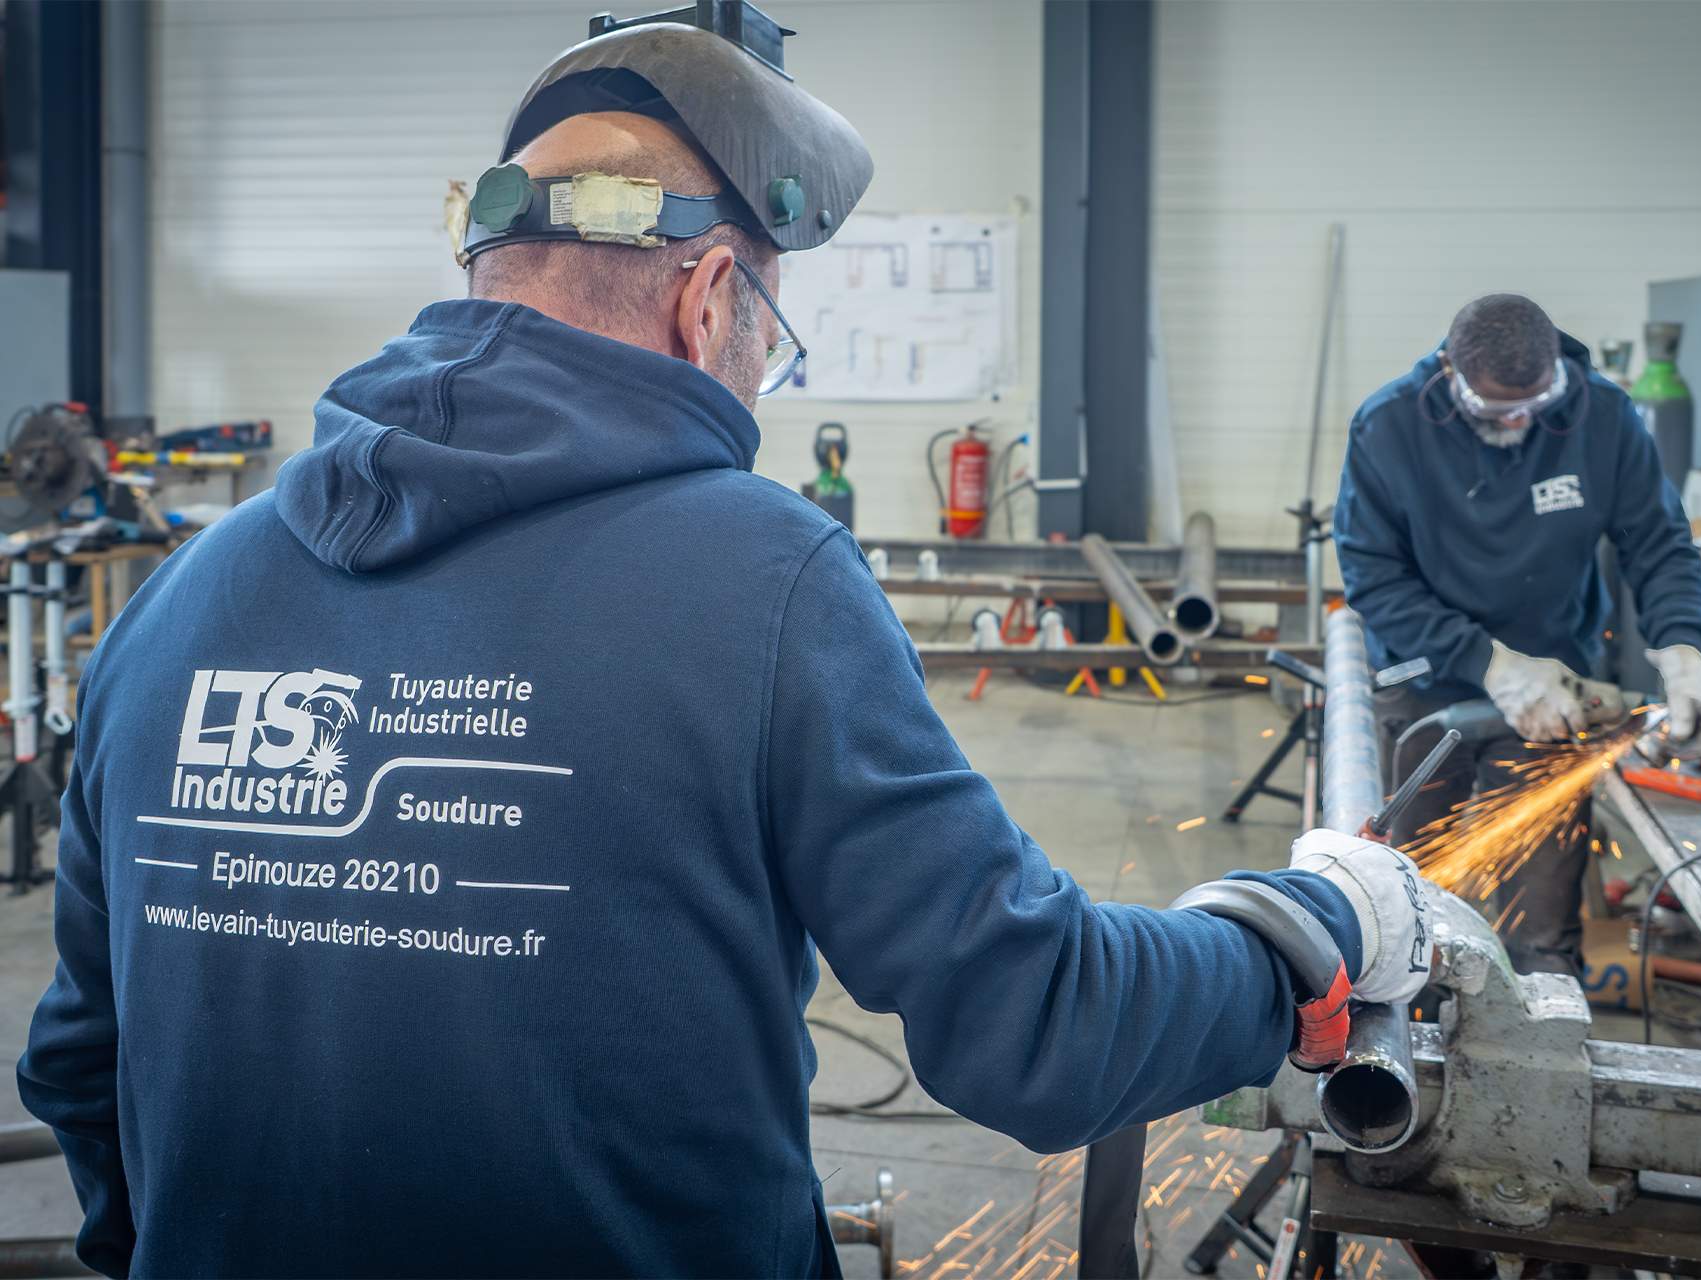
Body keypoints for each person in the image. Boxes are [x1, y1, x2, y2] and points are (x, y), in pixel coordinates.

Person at [18, 12, 1432, 1276]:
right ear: (708, 301)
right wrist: (1297, 934)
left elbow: (81, 1065)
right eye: (770, 338)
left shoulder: (179, 602)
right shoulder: (765, 578)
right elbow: (1035, 1027)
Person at [1333, 293, 1701, 977]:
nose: (1517, 421)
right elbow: (1373, 577)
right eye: (1493, 409)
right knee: (1399, 908)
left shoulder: (1603, 415)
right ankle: (1400, 1019)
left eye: (1534, 405)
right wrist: (1488, 663)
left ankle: (1544, 1011)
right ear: (1450, 372)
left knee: (1541, 927)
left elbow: (1659, 546)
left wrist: (1686, 655)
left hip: (1556, 691)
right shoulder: (1389, 425)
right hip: (1425, 681)